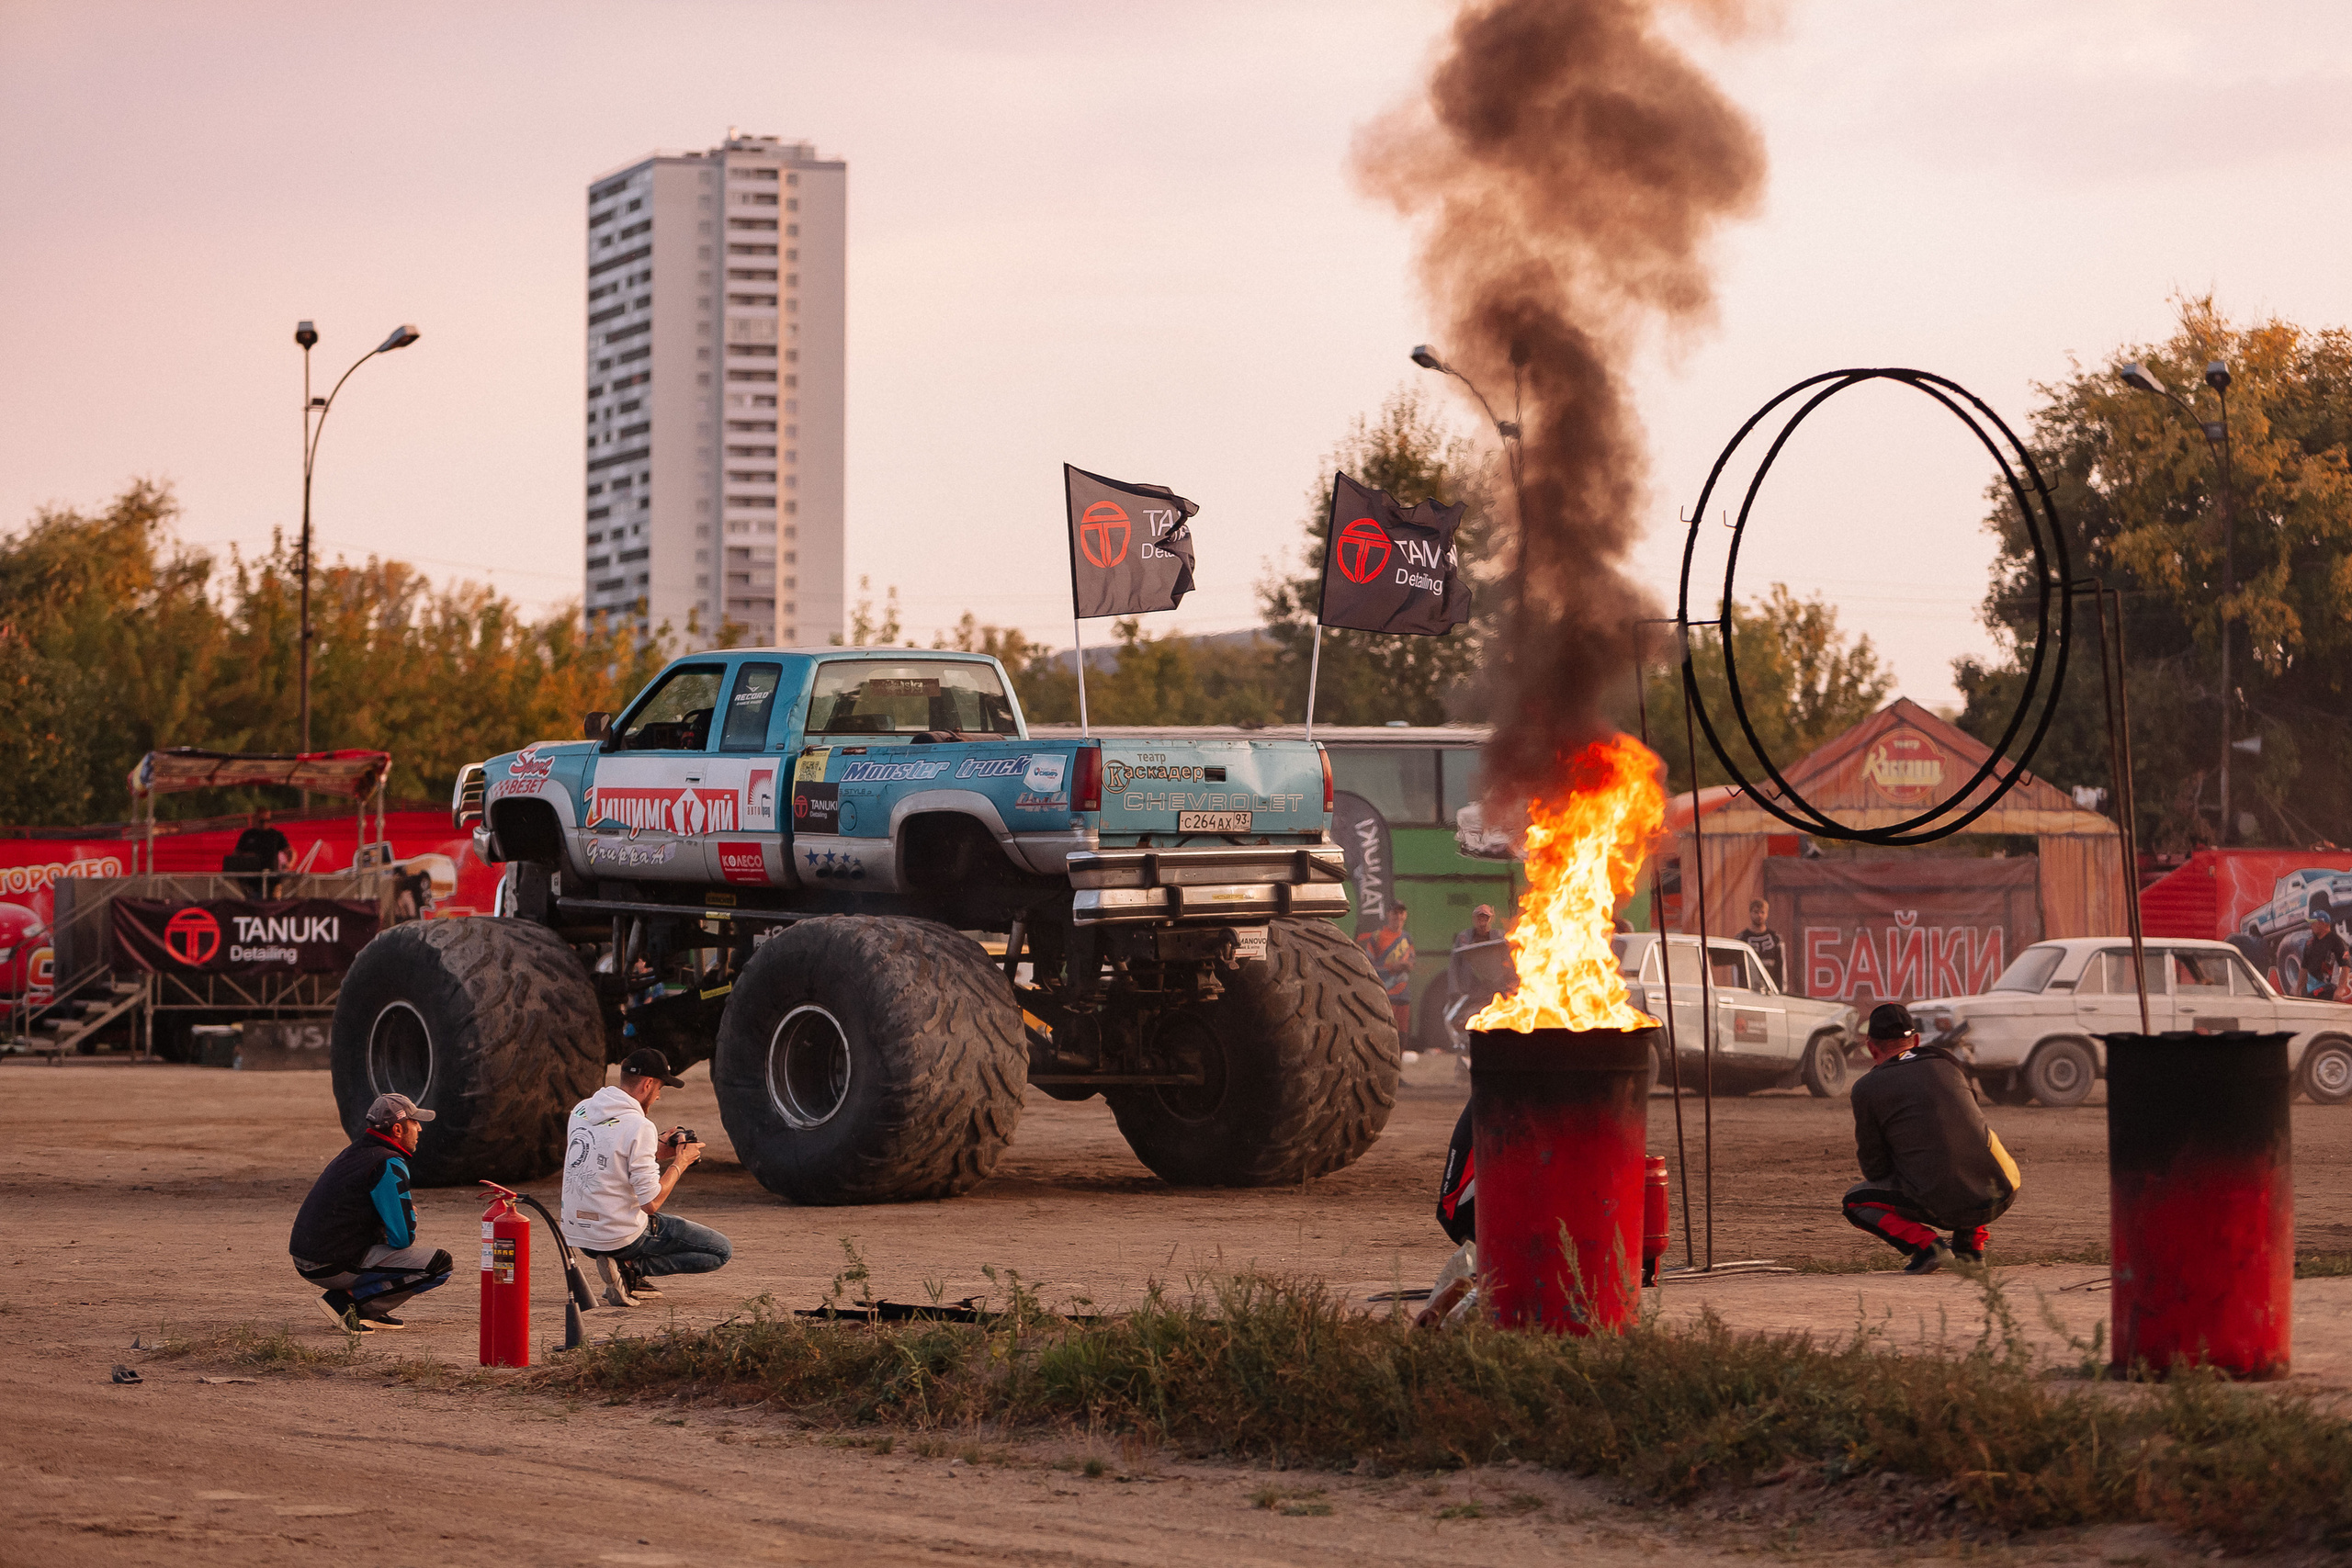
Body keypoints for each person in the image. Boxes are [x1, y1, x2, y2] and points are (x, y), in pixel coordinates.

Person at [1843, 1003, 2022, 1274]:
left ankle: (1928, 1247)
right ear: (1916, 1041)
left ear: (1871, 1047)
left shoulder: (1866, 1088)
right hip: (2004, 1190)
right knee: (1969, 1140)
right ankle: (1971, 1249)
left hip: (1942, 1204)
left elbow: (1875, 1168)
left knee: (1855, 1201)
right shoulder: (1947, 1062)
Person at [561, 1047, 733, 1306]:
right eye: (660, 1088)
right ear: (648, 1084)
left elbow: (605, 1156)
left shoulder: (582, 1110)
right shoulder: (639, 1126)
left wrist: (655, 1149)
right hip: (616, 1236)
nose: (659, 1096)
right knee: (720, 1251)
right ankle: (630, 1269)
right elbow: (651, 1203)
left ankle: (624, 1271)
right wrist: (680, 1162)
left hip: (580, 1235)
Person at [288, 1092, 454, 1333]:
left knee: (384, 1233)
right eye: (414, 1122)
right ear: (398, 1129)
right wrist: (407, 1215)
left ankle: (371, 1309)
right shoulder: (388, 1162)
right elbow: (403, 1238)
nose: (419, 1128)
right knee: (438, 1265)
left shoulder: (355, 1152)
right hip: (330, 1264)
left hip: (309, 1258)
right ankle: (350, 1304)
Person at [1357, 904, 1416, 1035]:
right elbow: (1368, 965)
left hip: (1403, 995)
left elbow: (1412, 961)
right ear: (1388, 914)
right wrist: (1390, 968)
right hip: (1385, 994)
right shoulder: (1377, 936)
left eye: (1401, 913)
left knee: (1402, 1034)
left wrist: (1406, 965)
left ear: (1405, 915)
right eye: (1395, 913)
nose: (1398, 917)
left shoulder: (1407, 937)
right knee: (1386, 1032)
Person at [2300, 907, 2347, 998]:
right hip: (2311, 991)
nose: (2310, 926)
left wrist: (2341, 988)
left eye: (2313, 923)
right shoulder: (2310, 943)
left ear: (2323, 924)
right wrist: (2299, 988)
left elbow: (2345, 966)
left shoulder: (2337, 941)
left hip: (2328, 990)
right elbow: (2304, 967)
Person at [1742, 898, 1784, 991]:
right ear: (1750, 913)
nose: (1759, 915)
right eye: (1756, 912)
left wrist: (1781, 991)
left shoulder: (1775, 938)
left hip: (1771, 990)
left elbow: (1781, 966)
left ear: (1767, 914)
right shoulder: (1742, 939)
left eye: (1762, 912)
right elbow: (1737, 968)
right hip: (1748, 990)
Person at [235, 810, 293, 874]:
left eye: (268, 821)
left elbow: (290, 851)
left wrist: (289, 864)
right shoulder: (247, 835)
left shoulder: (276, 835)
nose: (265, 823)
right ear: (255, 820)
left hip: (271, 873)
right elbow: (237, 853)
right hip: (251, 873)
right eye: (262, 821)